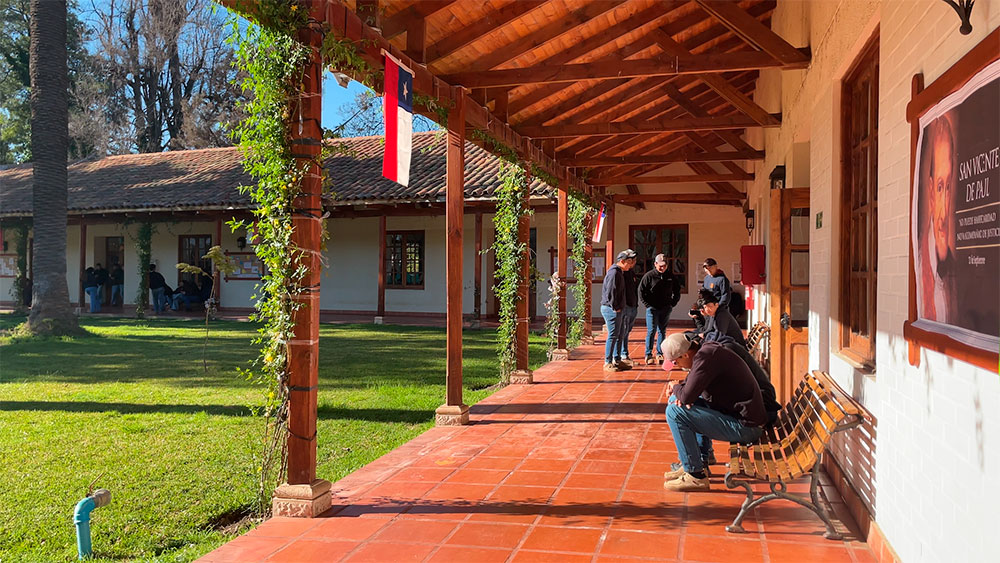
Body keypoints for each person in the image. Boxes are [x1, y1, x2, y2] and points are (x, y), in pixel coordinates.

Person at [661, 333, 767, 491]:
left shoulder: (706, 359)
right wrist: (681, 391)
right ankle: (699, 461)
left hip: (746, 427)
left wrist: (676, 386)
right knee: (676, 403)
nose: (677, 366)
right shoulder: (705, 352)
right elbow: (690, 389)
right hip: (740, 418)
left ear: (685, 354)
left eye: (676, 362)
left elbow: (687, 394)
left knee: (674, 412)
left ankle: (695, 475)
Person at [918, 114, 959, 324]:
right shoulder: (920, 264)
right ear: (931, 194)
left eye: (949, 187)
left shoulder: (954, 270)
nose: (944, 212)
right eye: (940, 187)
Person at [639, 253, 681, 364]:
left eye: (664, 265)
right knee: (651, 331)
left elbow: (677, 291)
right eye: (660, 265)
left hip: (666, 308)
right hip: (652, 308)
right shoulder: (649, 276)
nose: (662, 268)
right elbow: (641, 291)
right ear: (655, 264)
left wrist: (673, 303)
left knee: (662, 331)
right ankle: (648, 354)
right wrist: (647, 304)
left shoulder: (671, 276)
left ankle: (660, 353)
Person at [600, 251, 634, 372]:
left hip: (617, 308)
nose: (630, 265)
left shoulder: (620, 272)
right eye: (629, 262)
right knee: (613, 335)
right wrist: (615, 307)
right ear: (622, 261)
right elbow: (610, 292)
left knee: (620, 334)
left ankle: (617, 360)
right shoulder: (614, 272)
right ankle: (607, 362)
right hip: (611, 309)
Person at [617, 249, 639, 366]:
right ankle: (622, 355)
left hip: (633, 305)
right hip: (624, 306)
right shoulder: (620, 272)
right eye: (631, 260)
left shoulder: (631, 272)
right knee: (622, 332)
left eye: (634, 260)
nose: (633, 263)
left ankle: (623, 354)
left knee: (627, 331)